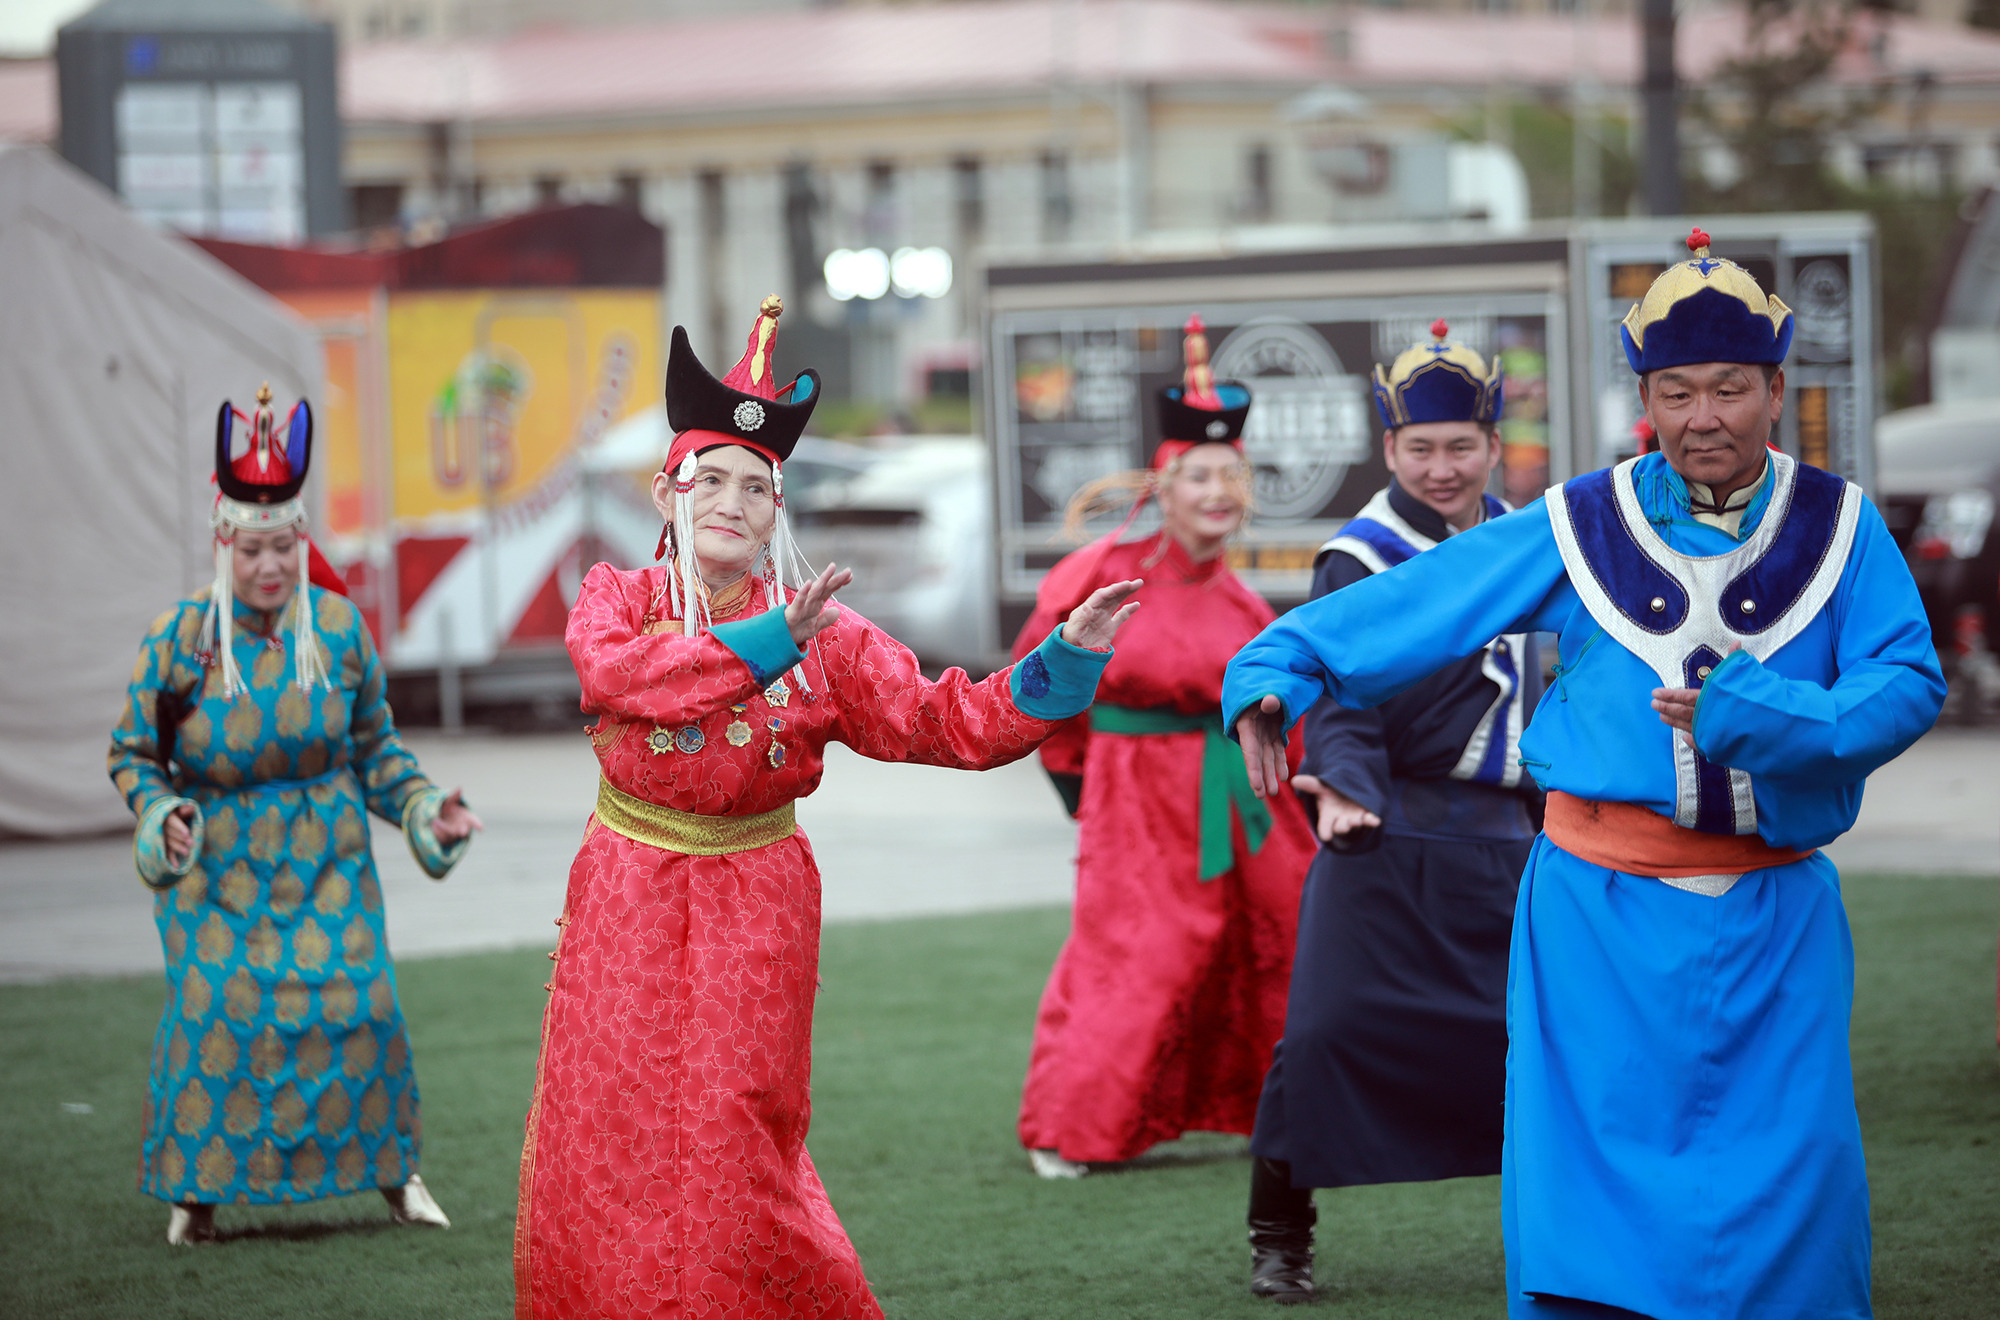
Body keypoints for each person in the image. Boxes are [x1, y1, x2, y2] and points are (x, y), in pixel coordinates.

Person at [1224, 228, 1945, 1319]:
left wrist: (1763, 715)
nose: (1701, 417)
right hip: (1595, 905)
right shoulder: (1581, 521)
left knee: (1790, 1159)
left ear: (1773, 388)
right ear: (1644, 398)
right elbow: (1412, 605)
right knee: (1593, 1161)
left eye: (1728, 390)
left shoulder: (1839, 527)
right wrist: (1279, 666)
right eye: (1674, 392)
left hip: (1774, 906)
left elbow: (1904, 685)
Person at [513, 296, 1140, 1320]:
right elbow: (626, 679)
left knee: (733, 1135)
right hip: (625, 896)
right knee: (611, 1132)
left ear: (778, 509)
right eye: (709, 479)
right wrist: (769, 644)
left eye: (754, 488)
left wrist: (1064, 659)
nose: (730, 501)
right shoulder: (614, 598)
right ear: (669, 492)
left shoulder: (829, 635)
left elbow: (952, 724)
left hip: (756, 908)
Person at [108, 385, 482, 1246]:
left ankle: (396, 1180)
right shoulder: (181, 638)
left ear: (300, 541)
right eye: (252, 549)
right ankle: (197, 1198)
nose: (270, 566)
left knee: (363, 1009)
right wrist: (158, 809)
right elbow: (132, 750)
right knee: (214, 1013)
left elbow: (376, 751)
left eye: (284, 546)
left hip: (330, 868)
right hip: (218, 878)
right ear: (222, 544)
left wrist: (427, 809)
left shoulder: (341, 632)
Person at [1244, 322, 1542, 1302]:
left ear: (1491, 447)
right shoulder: (1357, 554)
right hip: (1382, 826)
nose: (1441, 466)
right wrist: (1349, 796)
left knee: (1545, 1040)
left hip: (1507, 835)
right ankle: (1279, 1231)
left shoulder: (1524, 540)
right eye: (1420, 447)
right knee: (1324, 1033)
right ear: (1387, 451)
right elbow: (1337, 691)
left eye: (1460, 446)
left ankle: (1562, 1234)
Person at [1014, 316, 1316, 1179]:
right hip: (1135, 792)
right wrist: (1071, 776)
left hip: (1235, 797)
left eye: (1232, 475)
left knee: (1278, 932)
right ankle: (1075, 1126)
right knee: (1140, 950)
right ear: (1165, 482)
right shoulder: (1101, 577)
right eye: (1201, 475)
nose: (1219, 491)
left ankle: (1278, 1109)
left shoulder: (1243, 600)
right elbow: (1047, 678)